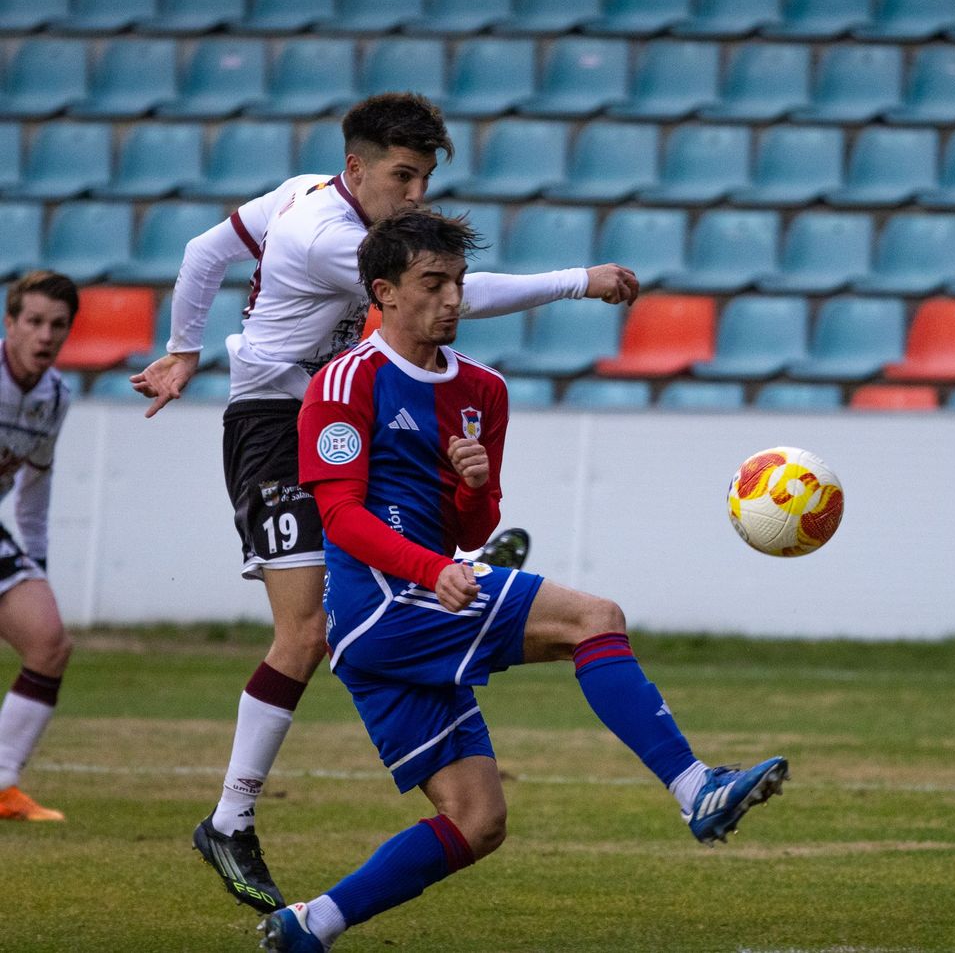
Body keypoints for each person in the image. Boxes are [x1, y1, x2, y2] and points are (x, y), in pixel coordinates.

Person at [129, 93, 640, 913]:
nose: (416, 195)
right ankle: (230, 819)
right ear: (358, 169)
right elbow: (455, 296)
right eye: (403, 176)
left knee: (375, 587)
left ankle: (454, 589)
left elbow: (202, 249)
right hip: (276, 423)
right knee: (309, 629)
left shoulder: (301, 189)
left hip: (329, 408)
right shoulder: (329, 235)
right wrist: (580, 279)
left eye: (427, 177)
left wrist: (185, 347)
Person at [256, 208, 785, 951]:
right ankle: (697, 789)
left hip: (420, 600)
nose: (452, 299)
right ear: (385, 292)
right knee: (593, 618)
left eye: (459, 283)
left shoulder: (483, 391)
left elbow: (475, 531)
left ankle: (310, 924)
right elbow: (339, 516)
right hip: (382, 608)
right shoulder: (346, 383)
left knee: (479, 822)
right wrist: (433, 567)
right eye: (432, 283)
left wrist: (470, 489)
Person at [0, 271, 78, 822]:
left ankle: (2, 786)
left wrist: (38, 567)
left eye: (58, 326)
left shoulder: (53, 398)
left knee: (49, 640)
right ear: (10, 325)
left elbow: (33, 491)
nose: (44, 336)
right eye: (33, 322)